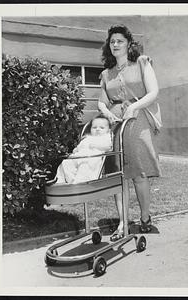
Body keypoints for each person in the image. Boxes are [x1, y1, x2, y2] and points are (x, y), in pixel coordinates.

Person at [98, 24, 161, 241]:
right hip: (116, 125)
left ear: (128, 44)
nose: (115, 44)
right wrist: (106, 113)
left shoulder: (142, 63)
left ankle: (145, 217)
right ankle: (123, 222)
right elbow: (102, 102)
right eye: (112, 41)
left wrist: (134, 107)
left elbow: (153, 92)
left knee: (139, 172)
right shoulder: (106, 74)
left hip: (137, 120)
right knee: (118, 176)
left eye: (120, 41)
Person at [55, 115, 112, 184]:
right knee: (65, 163)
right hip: (79, 157)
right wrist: (76, 149)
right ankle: (61, 181)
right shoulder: (88, 138)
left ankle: (79, 182)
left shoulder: (105, 138)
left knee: (84, 167)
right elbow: (80, 146)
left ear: (108, 130)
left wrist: (97, 146)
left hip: (91, 160)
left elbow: (109, 147)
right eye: (94, 127)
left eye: (102, 128)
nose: (97, 129)